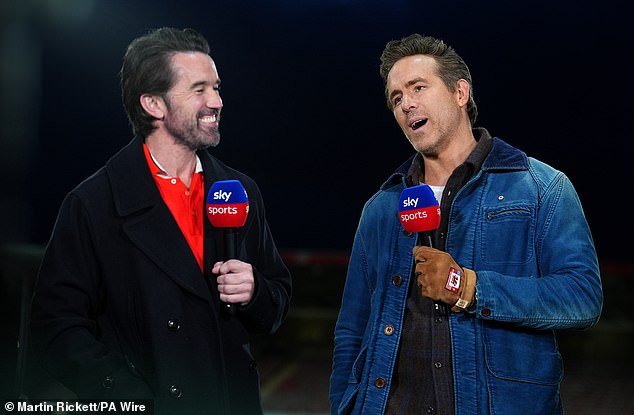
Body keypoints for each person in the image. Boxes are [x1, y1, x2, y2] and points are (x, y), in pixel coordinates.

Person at [329, 33, 603, 415]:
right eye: (396, 98)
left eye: (418, 87)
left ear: (460, 92)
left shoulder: (542, 188)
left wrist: (469, 287)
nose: (406, 104)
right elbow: (352, 329)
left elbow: (582, 297)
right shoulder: (381, 209)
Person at [30, 27, 292, 414]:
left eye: (216, 88)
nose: (217, 101)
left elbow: (277, 302)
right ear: (154, 104)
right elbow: (55, 327)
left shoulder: (241, 190)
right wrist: (129, 397)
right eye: (199, 89)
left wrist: (255, 292)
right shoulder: (93, 204)